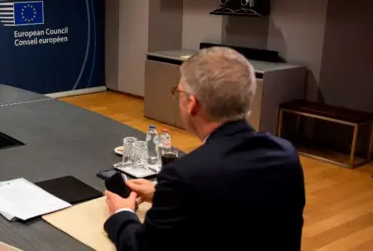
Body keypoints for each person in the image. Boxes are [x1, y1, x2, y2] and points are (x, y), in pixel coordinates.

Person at [104, 47, 305, 251]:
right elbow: (239, 207)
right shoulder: (285, 155)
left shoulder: (183, 176)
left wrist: (122, 214)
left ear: (191, 104)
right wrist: (164, 195)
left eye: (178, 92)